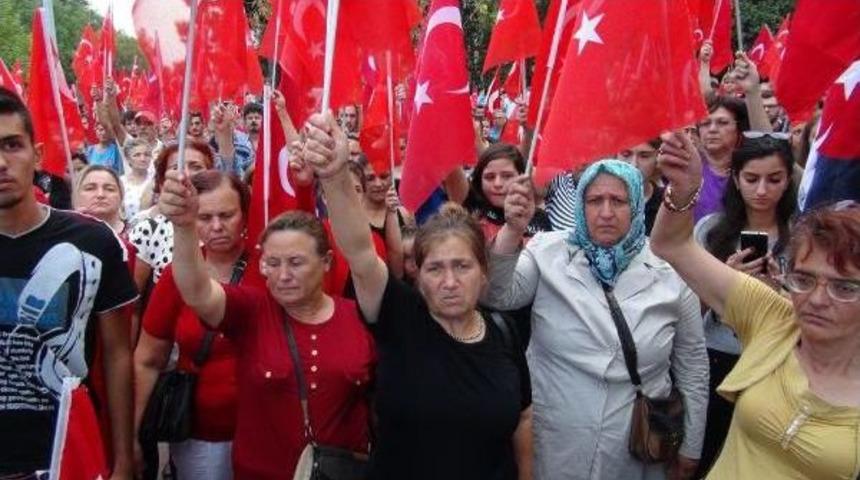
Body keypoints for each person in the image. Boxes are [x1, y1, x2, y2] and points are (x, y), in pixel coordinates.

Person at [301, 112, 532, 480]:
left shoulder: (504, 333)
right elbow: (360, 251)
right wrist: (334, 175)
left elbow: (522, 415)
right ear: (418, 275)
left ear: (484, 273)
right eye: (435, 268)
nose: (450, 281)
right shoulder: (399, 317)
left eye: (462, 266)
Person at [651, 130, 860, 480]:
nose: (817, 299)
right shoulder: (773, 316)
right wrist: (684, 189)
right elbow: (672, 245)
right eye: (804, 280)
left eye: (843, 287)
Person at [484, 158, 708, 480]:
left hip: (636, 446)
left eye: (618, 201)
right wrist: (513, 229)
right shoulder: (548, 251)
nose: (605, 212)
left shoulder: (670, 269)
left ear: (636, 204)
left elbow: (692, 365)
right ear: (580, 204)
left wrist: (691, 446)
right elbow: (498, 296)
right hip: (555, 441)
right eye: (594, 200)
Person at [159, 175, 375, 478]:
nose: (283, 275)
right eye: (273, 263)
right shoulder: (251, 311)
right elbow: (197, 291)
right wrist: (184, 227)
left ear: (326, 261)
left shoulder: (360, 318)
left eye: (296, 262)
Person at [0, 86, 137, 476]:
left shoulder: (92, 242)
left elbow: (117, 355)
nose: (2, 162)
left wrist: (123, 459)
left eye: (12, 145)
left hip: (66, 454)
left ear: (37, 154)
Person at [134, 171, 252, 480]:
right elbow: (148, 359)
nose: (217, 226)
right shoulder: (176, 276)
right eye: (205, 217)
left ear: (244, 213)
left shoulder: (273, 266)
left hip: (267, 429)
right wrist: (131, 435)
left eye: (226, 215)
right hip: (201, 438)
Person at [691, 134, 797, 475]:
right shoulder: (710, 231)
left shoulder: (802, 238)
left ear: (788, 180)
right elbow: (687, 311)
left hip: (777, 361)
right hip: (717, 356)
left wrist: (780, 293)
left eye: (774, 179)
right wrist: (723, 281)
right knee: (709, 452)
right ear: (736, 179)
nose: (762, 190)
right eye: (752, 179)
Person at [128, 141, 214, 288]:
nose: (186, 174)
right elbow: (134, 295)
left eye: (196, 167)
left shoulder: (226, 224)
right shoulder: (148, 230)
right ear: (163, 182)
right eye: (176, 168)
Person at [465, 142, 551, 242]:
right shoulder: (469, 208)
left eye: (507, 176)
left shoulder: (540, 220)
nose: (497, 184)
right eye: (490, 177)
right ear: (479, 180)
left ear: (522, 177)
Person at [619, 138, 664, 234]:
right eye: (626, 155)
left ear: (658, 158)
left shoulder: (667, 204)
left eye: (644, 156)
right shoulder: (596, 199)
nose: (634, 164)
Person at [74, 165, 128, 236]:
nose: (100, 195)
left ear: (121, 195)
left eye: (109, 189)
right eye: (90, 188)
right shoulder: (66, 234)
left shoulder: (136, 234)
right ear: (77, 195)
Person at [120, 138, 154, 220]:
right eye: (137, 155)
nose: (143, 159)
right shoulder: (121, 182)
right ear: (128, 159)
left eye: (147, 155)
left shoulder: (156, 180)